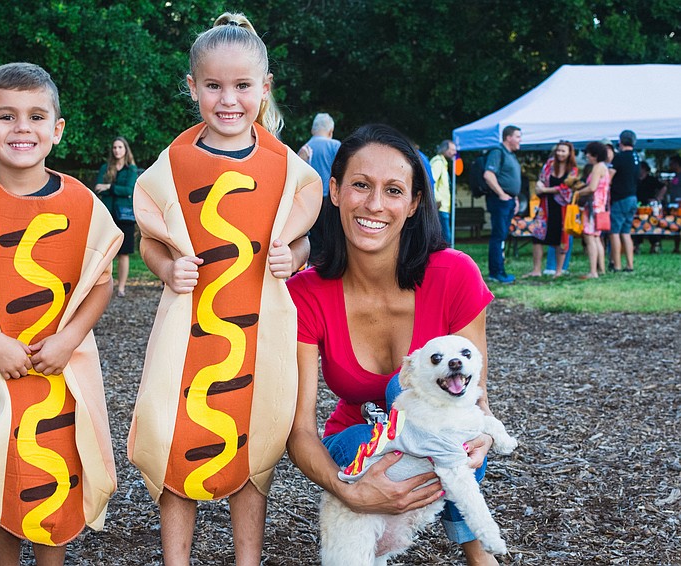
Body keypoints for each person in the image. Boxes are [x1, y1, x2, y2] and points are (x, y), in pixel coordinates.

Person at [127, 12, 321, 566]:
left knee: (252, 442)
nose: (228, 99)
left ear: (265, 88)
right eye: (213, 86)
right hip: (189, 337)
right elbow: (149, 238)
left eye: (242, 86)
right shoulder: (176, 163)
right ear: (193, 88)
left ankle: (247, 559)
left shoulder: (286, 167)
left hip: (259, 334)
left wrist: (294, 256)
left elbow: (306, 241)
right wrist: (165, 268)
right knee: (174, 437)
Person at [0, 62, 122, 566]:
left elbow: (100, 285)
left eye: (37, 116)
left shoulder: (82, 205)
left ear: (57, 130)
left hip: (61, 370)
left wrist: (69, 339)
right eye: (6, 116)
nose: (22, 128)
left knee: (56, 468)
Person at [285, 124, 501, 566]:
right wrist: (351, 491)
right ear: (335, 190)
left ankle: (478, 555)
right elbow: (299, 431)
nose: (375, 205)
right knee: (386, 416)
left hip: (434, 440)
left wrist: (481, 435)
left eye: (394, 190)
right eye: (360, 186)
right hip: (356, 443)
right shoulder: (305, 293)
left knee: (450, 432)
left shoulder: (456, 275)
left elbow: (474, 399)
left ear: (414, 202)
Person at [525, 141, 578, 277]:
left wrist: (546, 189)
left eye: (563, 151)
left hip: (562, 208)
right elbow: (541, 179)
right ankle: (536, 270)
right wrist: (539, 185)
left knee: (560, 238)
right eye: (558, 150)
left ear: (569, 153)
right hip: (545, 206)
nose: (560, 153)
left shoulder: (572, 169)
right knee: (538, 237)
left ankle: (558, 271)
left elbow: (566, 189)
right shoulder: (549, 164)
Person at [94, 137, 139, 297]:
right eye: (114, 147)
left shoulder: (131, 169)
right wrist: (112, 188)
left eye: (120, 147)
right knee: (106, 252)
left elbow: (129, 190)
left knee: (123, 252)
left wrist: (109, 187)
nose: (117, 150)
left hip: (124, 215)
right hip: (107, 214)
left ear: (125, 149)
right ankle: (105, 286)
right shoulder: (105, 168)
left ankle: (121, 288)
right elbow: (98, 188)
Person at [298, 112, 341, 261]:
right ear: (330, 131)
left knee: (314, 240)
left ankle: (313, 270)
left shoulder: (304, 149)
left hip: (310, 202)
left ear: (312, 130)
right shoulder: (335, 145)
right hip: (331, 200)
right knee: (331, 239)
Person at [483, 125, 522, 284]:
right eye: (518, 137)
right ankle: (496, 272)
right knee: (498, 236)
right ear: (508, 137)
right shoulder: (498, 152)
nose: (520, 140)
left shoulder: (510, 154)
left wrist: (515, 198)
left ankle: (500, 271)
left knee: (502, 236)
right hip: (500, 201)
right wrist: (501, 194)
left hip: (509, 200)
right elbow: (488, 174)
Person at [575, 142, 611, 279]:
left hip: (592, 207)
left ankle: (592, 271)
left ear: (595, 155)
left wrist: (578, 193)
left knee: (590, 238)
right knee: (596, 238)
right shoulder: (604, 167)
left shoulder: (597, 168)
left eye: (589, 153)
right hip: (600, 207)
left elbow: (592, 187)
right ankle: (601, 269)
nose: (587, 156)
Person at [608, 130, 639, 273]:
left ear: (621, 141)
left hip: (620, 198)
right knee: (626, 232)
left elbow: (609, 177)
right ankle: (630, 265)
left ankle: (617, 264)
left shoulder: (619, 158)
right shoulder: (636, 157)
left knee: (614, 232)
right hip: (633, 197)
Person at [635, 161, 666, 254]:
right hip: (637, 205)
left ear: (644, 168)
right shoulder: (635, 179)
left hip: (650, 206)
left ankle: (655, 244)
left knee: (651, 223)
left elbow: (663, 187)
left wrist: (658, 198)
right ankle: (637, 244)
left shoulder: (651, 179)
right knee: (637, 224)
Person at [430, 139, 457, 245]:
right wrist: (437, 200)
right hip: (440, 207)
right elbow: (431, 182)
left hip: (444, 207)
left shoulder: (443, 163)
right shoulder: (438, 163)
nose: (455, 152)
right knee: (445, 239)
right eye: (452, 150)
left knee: (445, 238)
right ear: (445, 150)